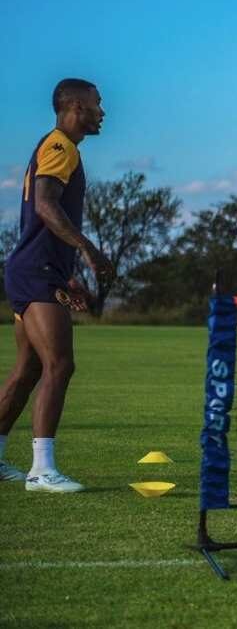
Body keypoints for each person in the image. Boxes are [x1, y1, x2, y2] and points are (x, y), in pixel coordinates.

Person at [0, 78, 115, 493]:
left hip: (38, 271)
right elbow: (45, 206)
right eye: (97, 104)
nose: (102, 112)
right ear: (76, 106)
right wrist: (88, 248)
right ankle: (41, 471)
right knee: (60, 365)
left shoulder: (63, 149)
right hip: (36, 273)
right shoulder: (60, 146)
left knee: (29, 370)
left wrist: (67, 273)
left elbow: (43, 219)